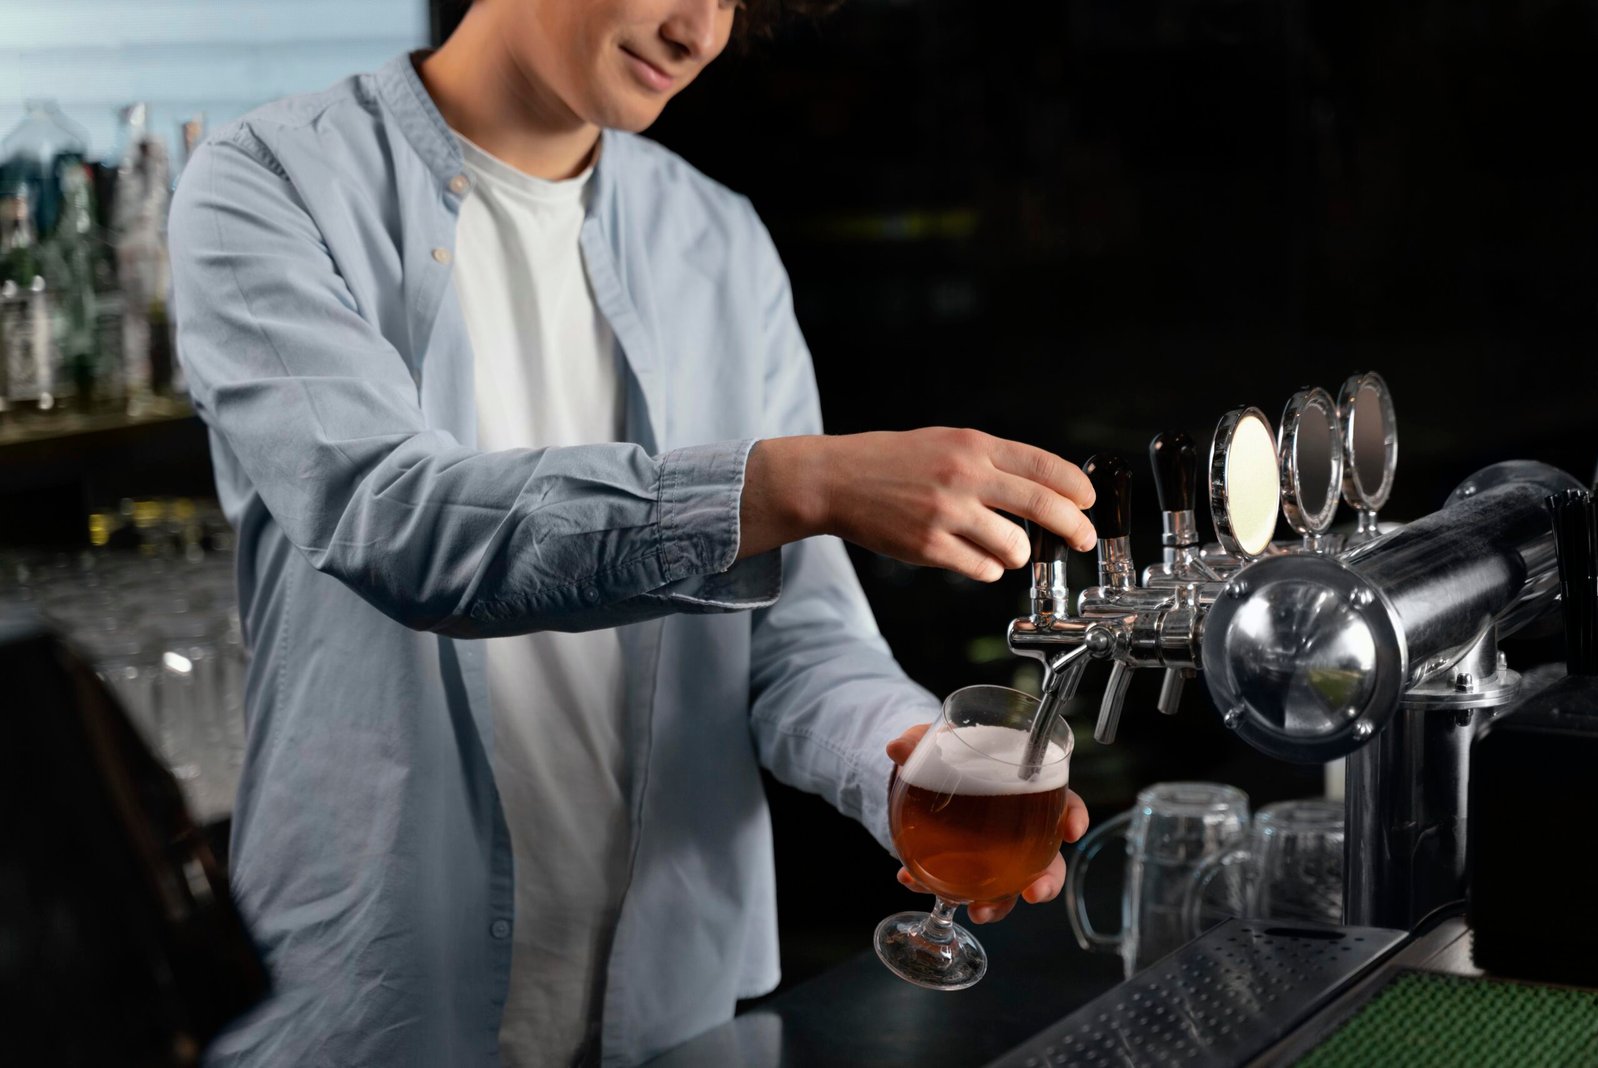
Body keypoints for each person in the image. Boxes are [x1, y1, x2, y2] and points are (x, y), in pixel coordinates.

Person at [167, 0, 1096, 1064]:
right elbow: (396, 522)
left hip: (678, 1012)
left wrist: (888, 759)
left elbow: (800, 641)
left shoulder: (718, 238)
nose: (701, 31)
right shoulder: (267, 183)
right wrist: (790, 482)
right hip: (377, 1002)